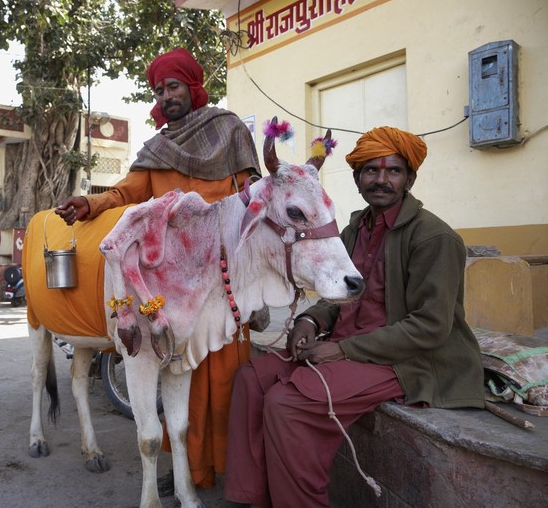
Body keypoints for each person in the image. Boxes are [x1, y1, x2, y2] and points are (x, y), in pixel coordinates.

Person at [224, 126, 485, 508]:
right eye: (370, 171)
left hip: (406, 360)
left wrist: (342, 350)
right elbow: (340, 292)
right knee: (250, 379)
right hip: (349, 343)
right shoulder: (352, 229)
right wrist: (309, 322)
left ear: (410, 178)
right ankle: (253, 497)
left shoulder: (434, 238)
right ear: (357, 178)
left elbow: (430, 327)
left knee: (287, 404)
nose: (381, 179)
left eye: (393, 171)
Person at [56, 48, 261, 493]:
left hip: (222, 280)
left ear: (193, 87)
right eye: (159, 89)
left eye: (173, 86)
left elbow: (253, 198)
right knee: (179, 381)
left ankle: (236, 475)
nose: (166, 96)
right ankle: (191, 470)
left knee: (225, 379)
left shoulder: (229, 131)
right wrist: (89, 203)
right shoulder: (157, 146)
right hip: (173, 286)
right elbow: (128, 192)